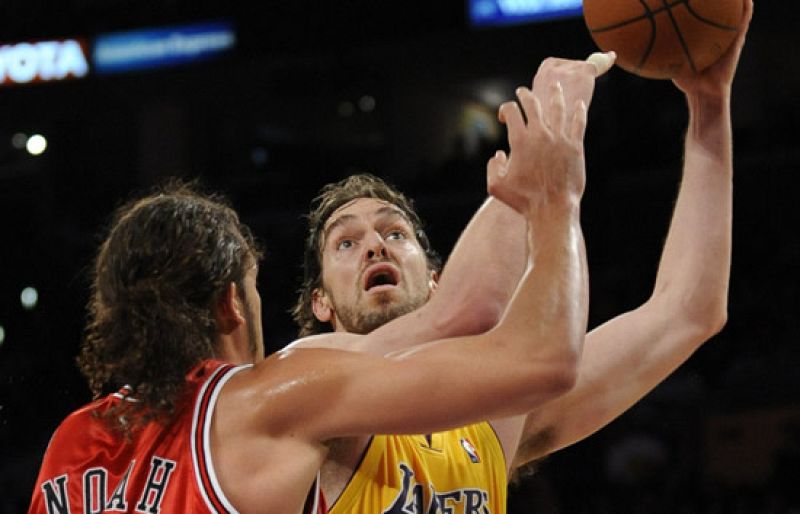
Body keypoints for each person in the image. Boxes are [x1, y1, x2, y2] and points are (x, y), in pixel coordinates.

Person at [27, 49, 615, 514]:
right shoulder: (274, 396)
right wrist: (554, 178)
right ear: (232, 301)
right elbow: (478, 322)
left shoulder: (69, 445)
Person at [287, 2, 753, 512]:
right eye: (346, 243)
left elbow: (689, 310)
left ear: (438, 278)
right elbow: (473, 308)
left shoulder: (493, 414)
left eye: (396, 234)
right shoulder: (300, 389)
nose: (375, 245)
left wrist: (710, 106)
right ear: (321, 303)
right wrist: (543, 159)